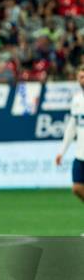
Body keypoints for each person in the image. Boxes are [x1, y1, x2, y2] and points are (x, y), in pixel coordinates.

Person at [56, 64, 84, 202]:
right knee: (77, 188)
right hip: (80, 154)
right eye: (80, 77)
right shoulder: (77, 100)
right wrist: (62, 151)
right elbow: (71, 128)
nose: (82, 80)